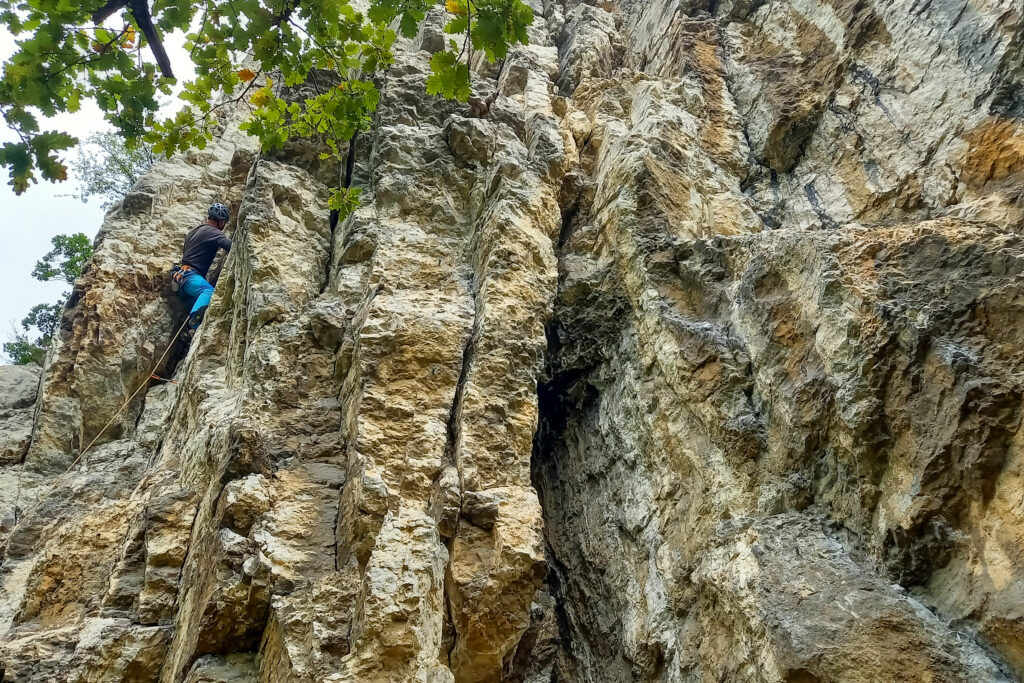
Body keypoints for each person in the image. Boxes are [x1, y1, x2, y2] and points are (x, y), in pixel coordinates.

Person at [175, 203, 232, 335]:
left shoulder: (194, 231)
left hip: (182, 275)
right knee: (208, 291)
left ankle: (186, 335)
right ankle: (193, 326)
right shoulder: (213, 232)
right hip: (190, 277)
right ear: (222, 221)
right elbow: (230, 245)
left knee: (197, 299)